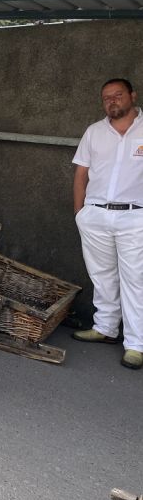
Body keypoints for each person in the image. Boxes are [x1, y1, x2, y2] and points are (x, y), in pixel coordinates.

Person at [72, 78, 143, 370]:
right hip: (96, 214)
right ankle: (105, 327)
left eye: (118, 95)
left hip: (135, 216)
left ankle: (136, 344)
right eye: (106, 98)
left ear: (132, 96)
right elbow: (81, 174)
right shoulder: (94, 132)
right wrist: (80, 214)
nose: (112, 101)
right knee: (102, 275)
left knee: (135, 280)